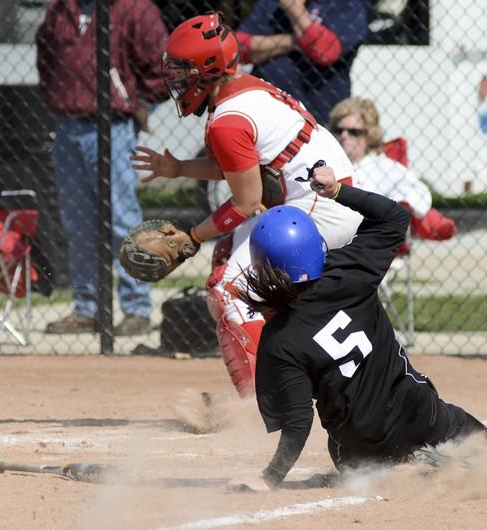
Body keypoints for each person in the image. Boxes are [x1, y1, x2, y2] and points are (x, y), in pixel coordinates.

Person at [229, 166, 487, 491]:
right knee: (456, 421)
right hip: (417, 413)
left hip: (357, 448)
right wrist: (337, 190)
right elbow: (394, 216)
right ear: (315, 245)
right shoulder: (350, 273)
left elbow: (298, 423)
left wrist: (271, 477)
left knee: (352, 465)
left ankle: (407, 470)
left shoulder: (279, 338)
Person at [131, 12, 362, 397]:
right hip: (323, 197)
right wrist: (177, 168)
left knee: (226, 290)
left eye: (184, 71)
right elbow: (240, 169)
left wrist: (191, 236)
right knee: (231, 258)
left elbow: (245, 201)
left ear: (208, 69)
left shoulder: (227, 120)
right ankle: (286, 378)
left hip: (321, 207)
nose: (177, 81)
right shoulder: (245, 88)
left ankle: (262, 402)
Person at [36, 0, 169, 335]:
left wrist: (139, 102)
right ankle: (88, 307)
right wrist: (57, 95)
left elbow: (164, 67)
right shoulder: (60, 9)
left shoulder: (134, 8)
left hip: (113, 126)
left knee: (122, 218)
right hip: (67, 126)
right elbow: (46, 56)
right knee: (77, 220)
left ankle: (137, 307)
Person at [329, 97, 457, 245]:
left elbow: (420, 196)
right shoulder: (328, 163)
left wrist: (395, 205)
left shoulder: (384, 167)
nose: (344, 136)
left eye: (354, 132)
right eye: (339, 130)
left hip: (367, 243)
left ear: (370, 135)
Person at [235, 0, 368, 125]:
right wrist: (296, 41)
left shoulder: (347, 5)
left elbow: (325, 52)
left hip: (318, 117)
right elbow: (237, 48)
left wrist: (294, 8)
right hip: (266, 111)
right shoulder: (272, 3)